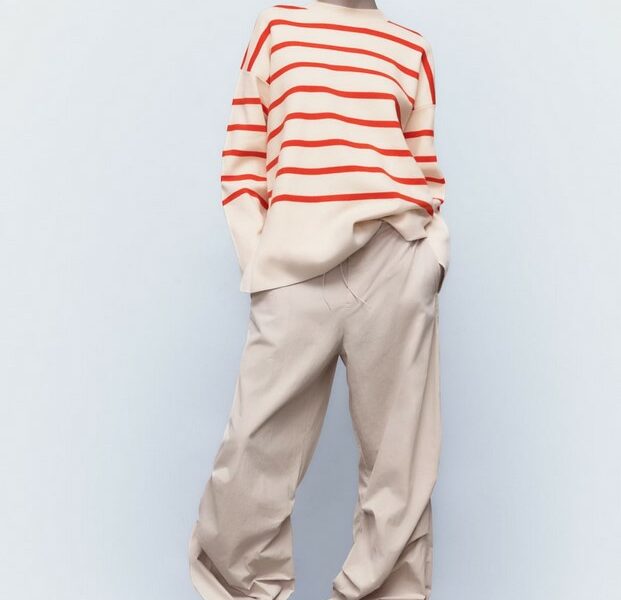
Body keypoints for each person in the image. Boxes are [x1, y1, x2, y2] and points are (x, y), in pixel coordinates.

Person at [188, 1, 450, 599]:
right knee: (251, 457)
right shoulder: (277, 27)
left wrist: (429, 257)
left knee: (399, 470)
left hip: (394, 259)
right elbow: (243, 162)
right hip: (294, 269)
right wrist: (262, 263)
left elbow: (426, 172)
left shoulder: (410, 47)